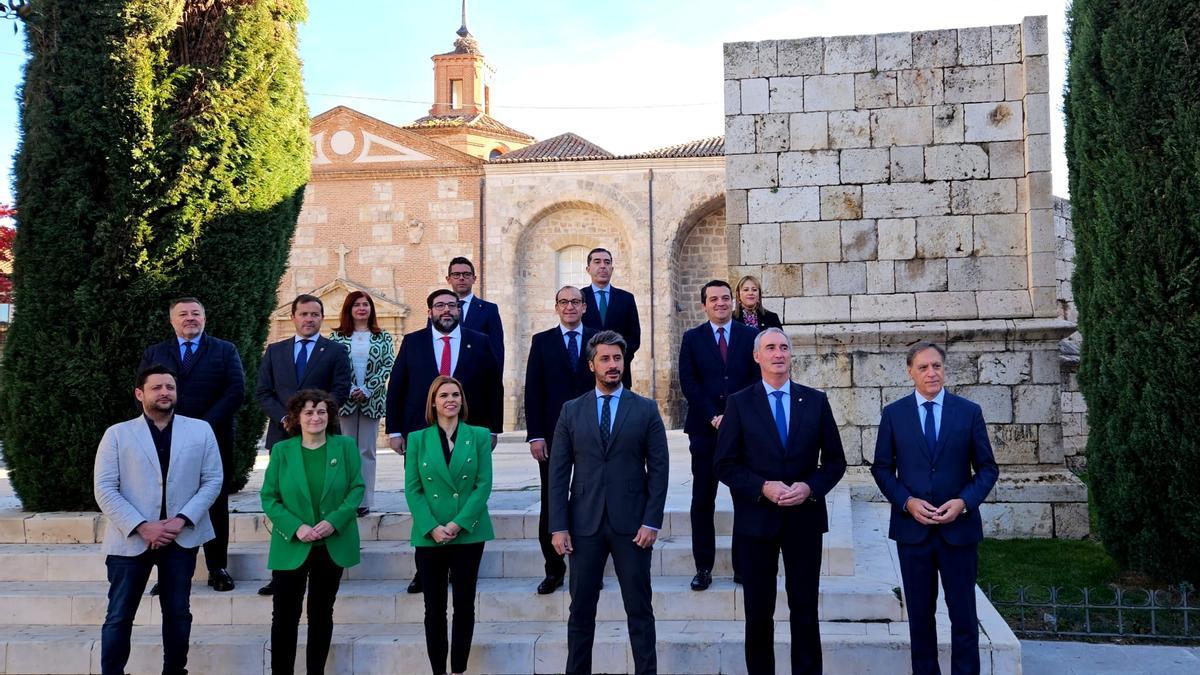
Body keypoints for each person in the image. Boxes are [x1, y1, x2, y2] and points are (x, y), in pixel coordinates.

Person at [714, 327, 847, 675]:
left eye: (784, 347)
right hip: (756, 523)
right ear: (757, 356)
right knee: (759, 612)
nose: (778, 353)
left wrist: (810, 488)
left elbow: (835, 462)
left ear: (791, 355)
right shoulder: (739, 403)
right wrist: (763, 487)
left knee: (805, 610)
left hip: (804, 521)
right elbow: (724, 464)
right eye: (770, 347)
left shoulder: (815, 401)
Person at [871, 341, 999, 675]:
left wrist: (964, 503)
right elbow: (881, 469)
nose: (932, 373)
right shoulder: (894, 414)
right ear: (910, 371)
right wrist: (907, 502)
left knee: (964, 617)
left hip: (959, 532)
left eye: (937, 366)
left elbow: (987, 468)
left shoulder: (968, 412)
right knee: (920, 617)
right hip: (912, 533)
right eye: (924, 367)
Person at [549, 330, 669, 675]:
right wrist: (558, 526)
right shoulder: (571, 411)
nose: (613, 364)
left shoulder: (645, 409)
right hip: (584, 525)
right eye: (605, 358)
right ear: (592, 364)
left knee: (640, 611)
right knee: (581, 612)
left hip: (632, 526)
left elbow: (659, 469)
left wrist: (652, 521)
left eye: (618, 358)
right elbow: (558, 473)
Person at [93, 365, 223, 675]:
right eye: (156, 387)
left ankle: (175, 671)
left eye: (170, 387)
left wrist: (182, 519)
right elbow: (104, 488)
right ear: (140, 394)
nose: (164, 392)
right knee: (119, 615)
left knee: (178, 613)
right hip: (130, 540)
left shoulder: (200, 430)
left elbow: (213, 480)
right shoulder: (117, 434)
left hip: (181, 538)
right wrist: (142, 526)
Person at [387, 288, 503, 594]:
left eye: (452, 305)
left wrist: (492, 428)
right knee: (427, 493)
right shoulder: (414, 342)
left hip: (468, 429)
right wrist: (395, 430)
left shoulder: (479, 341)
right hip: (420, 431)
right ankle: (424, 570)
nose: (446, 310)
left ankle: (461, 559)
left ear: (459, 310)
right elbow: (397, 385)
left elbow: (494, 386)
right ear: (430, 312)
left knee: (463, 491)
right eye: (440, 306)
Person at [139, 297, 244, 594]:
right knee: (166, 501)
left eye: (195, 313)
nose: (190, 318)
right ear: (172, 320)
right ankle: (168, 570)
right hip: (165, 439)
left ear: (204, 318)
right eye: (183, 314)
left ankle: (216, 567)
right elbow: (147, 393)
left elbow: (235, 391)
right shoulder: (156, 353)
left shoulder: (225, 351)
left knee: (214, 502)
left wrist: (200, 428)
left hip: (213, 439)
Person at [260, 389, 364, 675]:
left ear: (329, 415)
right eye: (308, 412)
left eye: (321, 411)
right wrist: (297, 527)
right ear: (296, 417)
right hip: (292, 544)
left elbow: (357, 488)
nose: (315, 417)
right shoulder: (282, 451)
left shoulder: (345, 447)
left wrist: (334, 521)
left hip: (331, 544)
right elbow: (269, 497)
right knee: (284, 617)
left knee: (321, 615)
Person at [255, 293, 352, 595]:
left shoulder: (335, 351)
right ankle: (282, 570)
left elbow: (341, 389)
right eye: (304, 314)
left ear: (322, 318)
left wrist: (314, 417)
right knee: (285, 500)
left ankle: (324, 564)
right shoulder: (275, 351)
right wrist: (286, 416)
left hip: (323, 435)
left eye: (315, 314)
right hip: (283, 433)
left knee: (318, 496)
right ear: (293, 317)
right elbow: (263, 391)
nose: (309, 319)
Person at [406, 376, 494, 675]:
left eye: (456, 394)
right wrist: (431, 526)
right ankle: (438, 671)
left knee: (465, 606)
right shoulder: (417, 439)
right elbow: (413, 489)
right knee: (434, 609)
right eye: (443, 395)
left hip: (468, 532)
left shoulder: (480, 436)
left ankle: (458, 669)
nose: (450, 399)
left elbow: (483, 485)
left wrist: (457, 523)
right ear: (434, 401)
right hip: (430, 534)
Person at [676, 280, 758, 591]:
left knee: (744, 499)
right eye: (714, 299)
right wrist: (713, 415)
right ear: (704, 305)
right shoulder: (692, 338)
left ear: (733, 303)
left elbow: (755, 380)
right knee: (703, 501)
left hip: (743, 434)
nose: (720, 303)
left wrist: (734, 417)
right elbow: (688, 381)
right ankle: (703, 567)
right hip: (704, 431)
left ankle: (742, 566)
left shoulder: (751, 336)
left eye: (725, 298)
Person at [523, 285, 597, 594]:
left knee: (592, 503)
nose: (569, 306)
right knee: (552, 503)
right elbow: (533, 391)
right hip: (553, 438)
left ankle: (589, 569)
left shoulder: (598, 339)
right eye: (563, 302)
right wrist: (535, 435)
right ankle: (554, 570)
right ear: (556, 307)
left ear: (584, 307)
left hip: (594, 436)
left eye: (575, 302)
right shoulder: (542, 342)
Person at [328, 290, 396, 516]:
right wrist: (348, 389)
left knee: (366, 450)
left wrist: (368, 388)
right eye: (356, 304)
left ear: (371, 309)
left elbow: (388, 364)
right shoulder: (336, 337)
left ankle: (364, 500)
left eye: (365, 304)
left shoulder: (382, 336)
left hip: (372, 400)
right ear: (349, 309)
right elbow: (334, 367)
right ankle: (346, 498)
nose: (361, 308)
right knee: (346, 449)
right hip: (345, 402)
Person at [579, 248, 641, 388]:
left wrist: (616, 360)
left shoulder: (626, 299)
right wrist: (594, 362)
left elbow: (634, 338)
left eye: (607, 262)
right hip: (587, 376)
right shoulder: (579, 298)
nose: (602, 266)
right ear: (588, 269)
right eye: (597, 262)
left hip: (618, 375)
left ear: (612, 269)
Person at [445, 256, 505, 367]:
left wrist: (495, 383)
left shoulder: (489, 310)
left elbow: (497, 351)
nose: (461, 278)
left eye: (466, 274)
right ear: (448, 279)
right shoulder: (439, 310)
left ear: (474, 278)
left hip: (478, 377)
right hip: (446, 377)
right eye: (456, 274)